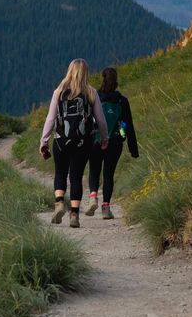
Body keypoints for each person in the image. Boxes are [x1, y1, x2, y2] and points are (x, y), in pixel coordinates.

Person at [38, 58, 108, 227]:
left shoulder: (59, 91)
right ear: (85, 72)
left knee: (60, 173)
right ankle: (74, 215)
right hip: (83, 142)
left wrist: (44, 141)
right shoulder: (91, 92)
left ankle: (60, 202)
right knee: (76, 176)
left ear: (69, 71)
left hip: (61, 140)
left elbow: (50, 118)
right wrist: (104, 138)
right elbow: (100, 119)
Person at [86, 67, 139, 219]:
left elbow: (88, 120)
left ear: (102, 79)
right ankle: (106, 208)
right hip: (115, 142)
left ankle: (93, 197)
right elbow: (128, 125)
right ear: (116, 82)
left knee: (94, 170)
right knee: (108, 174)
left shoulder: (93, 98)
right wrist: (133, 149)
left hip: (95, 140)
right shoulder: (122, 101)